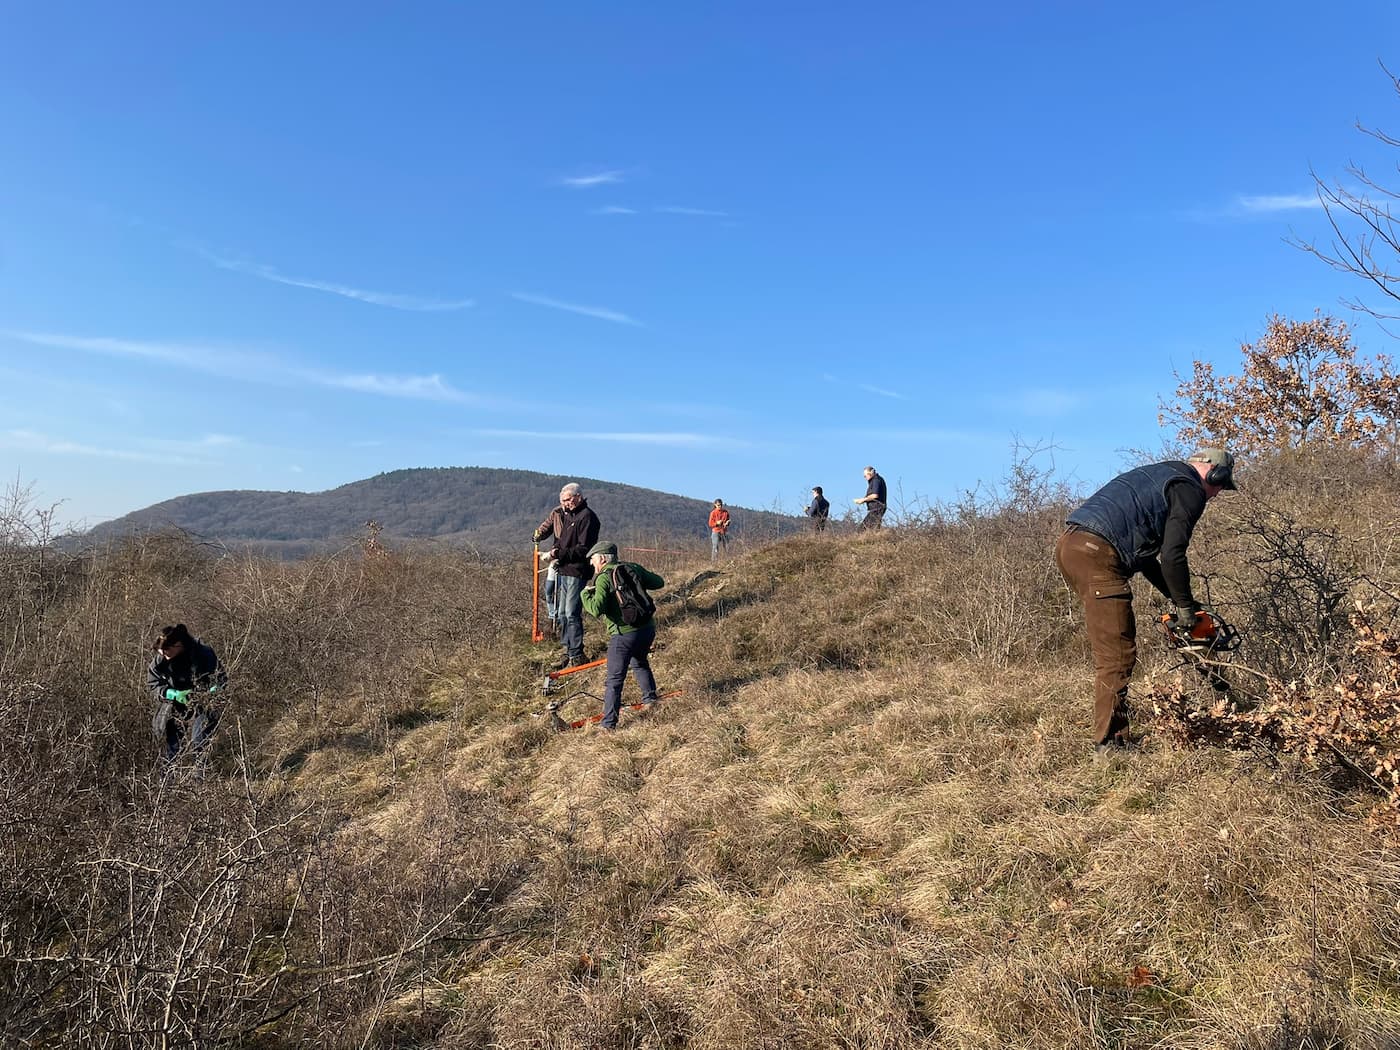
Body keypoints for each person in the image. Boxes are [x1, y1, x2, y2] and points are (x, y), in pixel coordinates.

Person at [1055, 448, 1237, 757]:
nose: (1217, 494)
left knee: (1112, 648)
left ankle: (1115, 738)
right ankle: (1109, 746)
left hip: (1072, 547)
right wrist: (1183, 608)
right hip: (1097, 553)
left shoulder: (1161, 475)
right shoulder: (1189, 488)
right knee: (1117, 654)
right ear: (1214, 472)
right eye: (1220, 485)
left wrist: (1184, 603)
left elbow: (1148, 560)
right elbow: (1173, 554)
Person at [581, 541, 665, 730]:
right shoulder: (632, 567)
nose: (591, 564)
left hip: (623, 635)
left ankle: (608, 724)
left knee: (614, 680)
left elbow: (595, 609)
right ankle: (650, 700)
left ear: (602, 558)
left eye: (593, 559)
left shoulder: (603, 578)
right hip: (647, 630)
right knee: (640, 662)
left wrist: (585, 595)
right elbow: (659, 582)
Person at [533, 483, 601, 668]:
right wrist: (554, 551)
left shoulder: (587, 518)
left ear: (577, 497)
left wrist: (556, 554)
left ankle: (577, 654)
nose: (564, 504)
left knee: (571, 613)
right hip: (563, 569)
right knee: (562, 613)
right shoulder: (566, 515)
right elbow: (560, 540)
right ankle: (567, 650)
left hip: (576, 571)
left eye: (567, 500)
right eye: (562, 501)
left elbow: (583, 549)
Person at [146, 623, 227, 766]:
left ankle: (199, 779)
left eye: (166, 650)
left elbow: (220, 679)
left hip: (204, 702)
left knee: (200, 741)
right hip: (176, 704)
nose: (163, 654)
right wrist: (171, 693)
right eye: (160, 652)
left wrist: (211, 693)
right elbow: (153, 683)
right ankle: (168, 782)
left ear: (179, 645)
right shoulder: (162, 659)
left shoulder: (204, 654)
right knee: (172, 745)